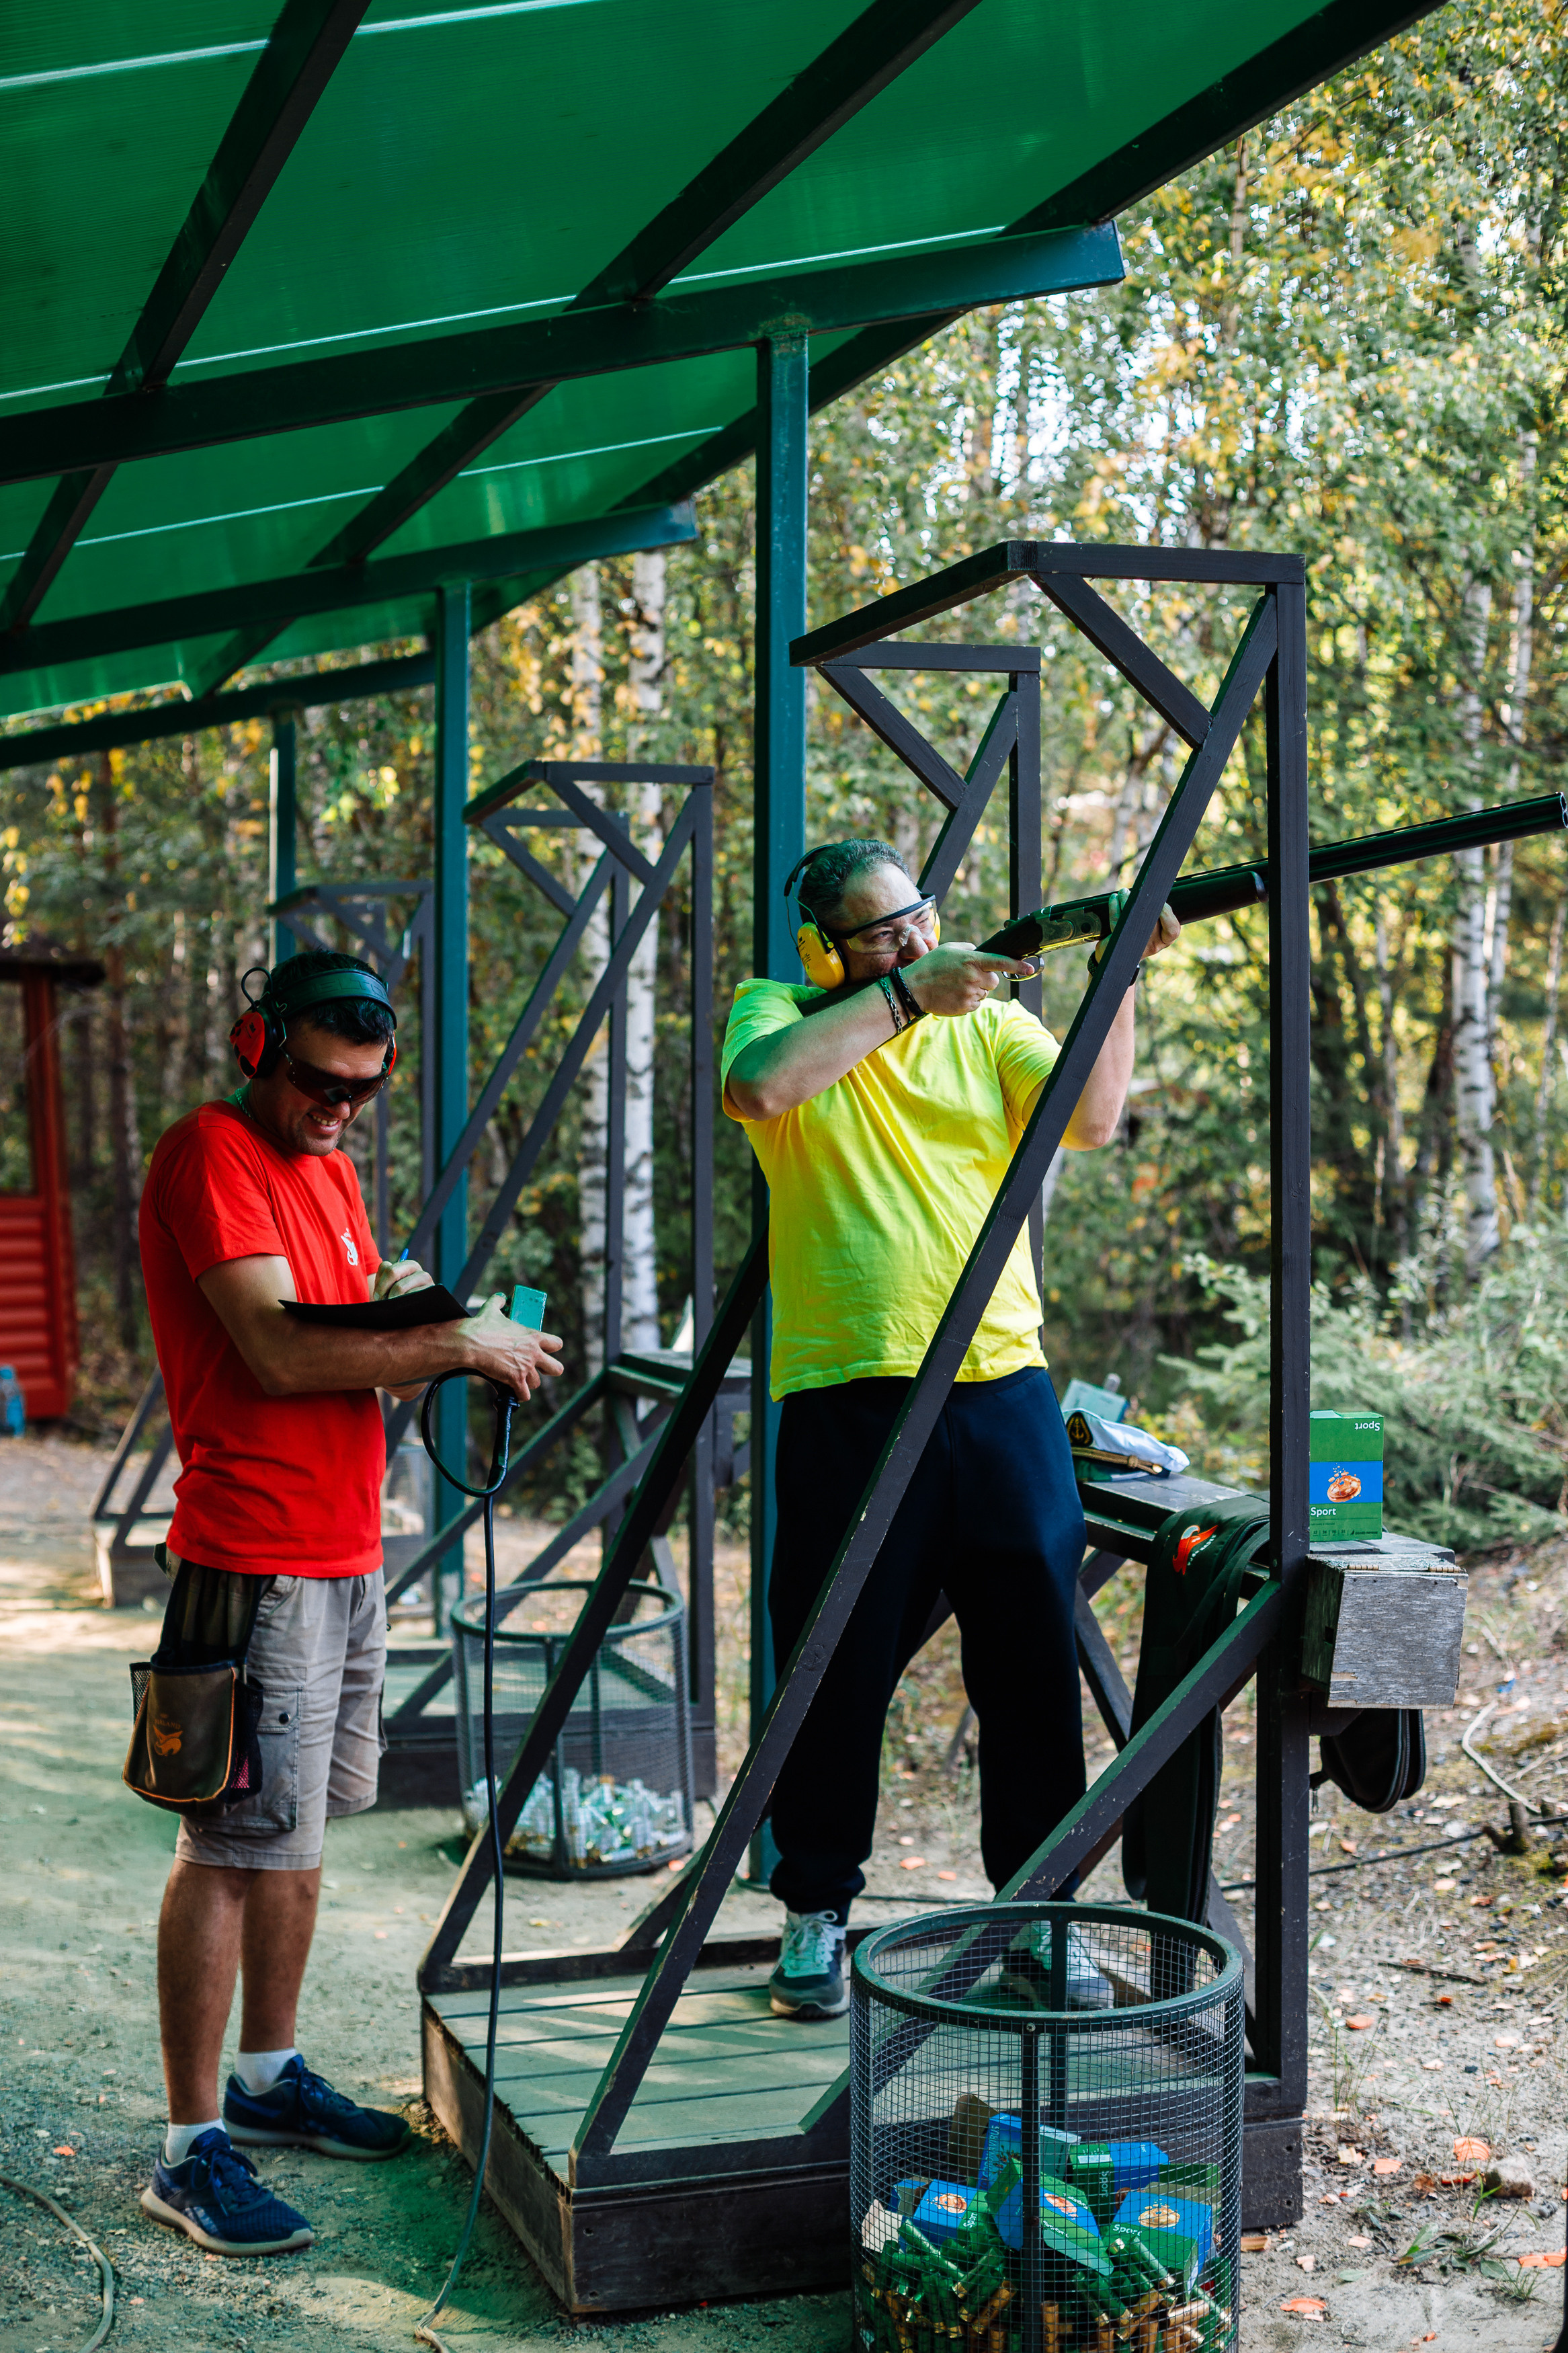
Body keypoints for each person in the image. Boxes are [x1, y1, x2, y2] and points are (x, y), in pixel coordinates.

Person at [135, 951, 563, 2256]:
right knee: (229, 1842)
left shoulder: (321, 1166)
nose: (339, 1109)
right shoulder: (211, 1152)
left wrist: (410, 1306)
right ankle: (189, 2144)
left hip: (340, 1546)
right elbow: (273, 1352)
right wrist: (453, 1340)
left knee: (302, 1828)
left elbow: (341, 1324)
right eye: (319, 1082)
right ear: (257, 1042)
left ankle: (271, 2074)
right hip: (251, 1550)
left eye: (363, 1092)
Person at [722, 840, 1178, 2022]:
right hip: (848, 1391)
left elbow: (1091, 1119)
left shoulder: (986, 1025)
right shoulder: (777, 1009)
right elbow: (763, 1089)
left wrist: (1116, 976)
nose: (916, 945)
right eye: (879, 933)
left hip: (999, 1386)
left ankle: (1037, 1918)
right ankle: (816, 1910)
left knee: (1030, 1663)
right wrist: (899, 996)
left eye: (918, 921)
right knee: (833, 1665)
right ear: (823, 950)